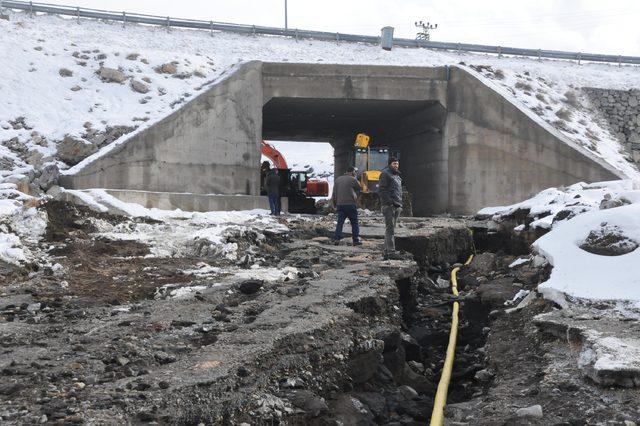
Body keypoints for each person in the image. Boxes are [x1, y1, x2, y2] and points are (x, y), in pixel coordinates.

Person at [378, 157, 403, 259]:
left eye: (397, 164)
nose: (396, 166)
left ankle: (386, 252)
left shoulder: (397, 175)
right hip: (389, 206)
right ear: (389, 164)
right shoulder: (385, 174)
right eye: (394, 164)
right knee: (390, 230)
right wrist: (390, 203)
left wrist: (399, 204)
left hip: (397, 205)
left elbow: (397, 191)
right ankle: (391, 252)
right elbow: (382, 190)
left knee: (390, 229)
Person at [331, 166, 362, 246]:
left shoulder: (338, 179)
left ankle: (336, 239)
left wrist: (334, 204)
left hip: (340, 205)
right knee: (354, 223)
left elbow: (334, 193)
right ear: (352, 172)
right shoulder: (353, 179)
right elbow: (359, 187)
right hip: (350, 204)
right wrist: (355, 178)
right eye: (355, 172)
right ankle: (355, 240)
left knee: (340, 223)